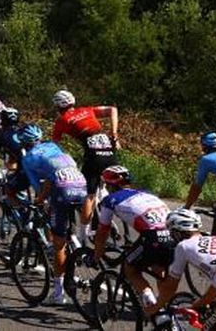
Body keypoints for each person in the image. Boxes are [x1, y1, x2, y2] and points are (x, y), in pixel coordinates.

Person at [20, 124, 88, 304]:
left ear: (24, 144)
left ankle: (58, 294)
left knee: (58, 245)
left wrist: (39, 200)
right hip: (80, 182)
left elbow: (40, 185)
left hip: (61, 188)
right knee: (66, 214)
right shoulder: (53, 146)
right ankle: (80, 242)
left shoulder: (28, 159)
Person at [92, 166, 174, 312]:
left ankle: (154, 309)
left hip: (152, 238)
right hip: (173, 235)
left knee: (129, 269)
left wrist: (97, 255)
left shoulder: (110, 200)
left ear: (110, 185)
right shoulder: (146, 193)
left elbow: (102, 231)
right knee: (158, 268)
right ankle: (164, 305)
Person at [50, 89, 119, 239]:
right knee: (107, 185)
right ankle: (111, 216)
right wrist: (114, 133)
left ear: (57, 107)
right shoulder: (88, 110)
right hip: (110, 153)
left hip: (94, 157)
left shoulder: (61, 121)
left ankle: (82, 237)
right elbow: (112, 109)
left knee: (89, 195)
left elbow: (54, 146)